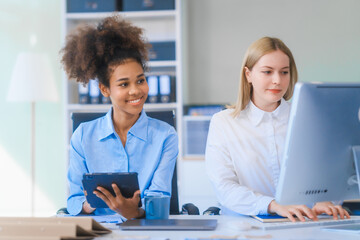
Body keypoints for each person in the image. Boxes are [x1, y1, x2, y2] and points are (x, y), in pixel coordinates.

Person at [205, 37, 350, 222]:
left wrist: (324, 200)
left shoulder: (312, 119)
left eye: (284, 72)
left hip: (301, 225)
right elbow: (224, 187)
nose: (277, 80)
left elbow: (330, 176)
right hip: (245, 226)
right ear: (248, 75)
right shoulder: (224, 123)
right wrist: (273, 205)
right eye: (267, 72)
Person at [60, 15, 178, 219]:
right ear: (105, 89)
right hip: (98, 231)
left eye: (140, 81)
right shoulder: (82, 136)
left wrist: (133, 212)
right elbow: (74, 200)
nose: (136, 91)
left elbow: (159, 198)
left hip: (146, 231)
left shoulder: (165, 135)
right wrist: (90, 204)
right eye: (124, 84)